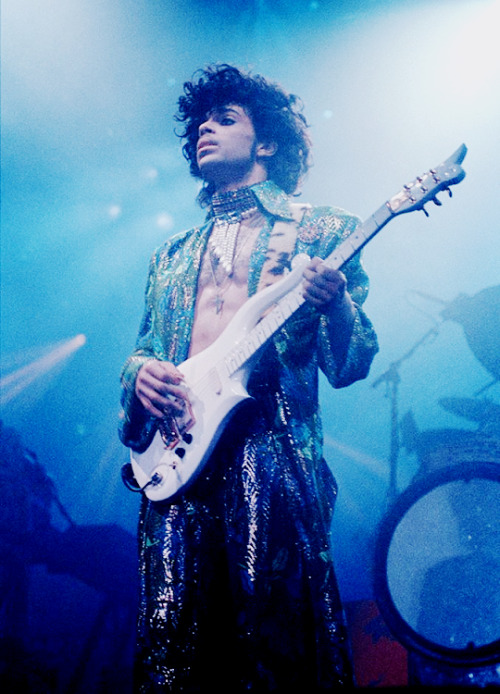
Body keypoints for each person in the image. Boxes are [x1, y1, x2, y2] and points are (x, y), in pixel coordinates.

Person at [119, 64, 378, 693]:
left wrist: (336, 303)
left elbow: (351, 364)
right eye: (199, 122)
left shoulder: (321, 230)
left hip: (269, 451)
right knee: (169, 640)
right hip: (178, 457)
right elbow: (145, 348)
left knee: (274, 635)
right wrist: (139, 376)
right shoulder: (172, 253)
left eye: (224, 118)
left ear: (266, 143)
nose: (204, 128)